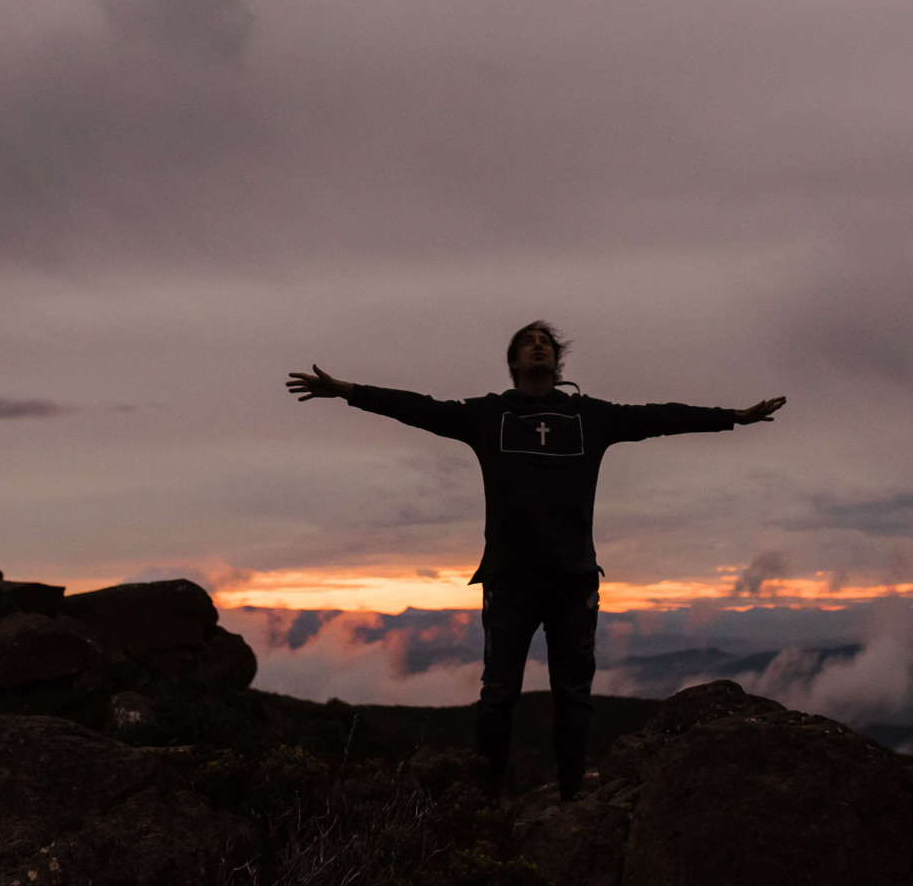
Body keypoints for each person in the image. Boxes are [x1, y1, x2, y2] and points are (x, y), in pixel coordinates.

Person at [285, 320, 783, 801]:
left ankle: (571, 795)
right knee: (499, 694)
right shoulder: (488, 416)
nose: (538, 347)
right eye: (528, 343)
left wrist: (731, 418)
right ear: (513, 362)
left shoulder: (591, 417)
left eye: (545, 342)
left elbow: (661, 418)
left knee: (573, 694)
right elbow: (418, 408)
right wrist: (345, 389)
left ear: (557, 360)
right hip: (510, 579)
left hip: (574, 579)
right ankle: (484, 800)